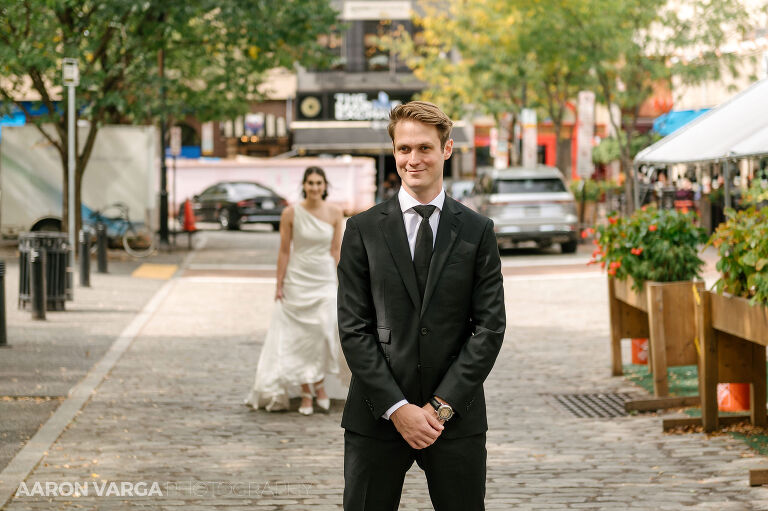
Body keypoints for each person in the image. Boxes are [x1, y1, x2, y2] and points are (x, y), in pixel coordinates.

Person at [337, 101, 506, 510]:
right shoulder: (361, 231)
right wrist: (398, 409)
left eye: (425, 148)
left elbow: (489, 328)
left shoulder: (477, 231)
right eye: (404, 149)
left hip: (455, 418)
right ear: (394, 152)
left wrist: (440, 407)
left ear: (447, 149)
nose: (413, 159)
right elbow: (353, 328)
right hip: (376, 415)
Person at [245, 166, 345, 415]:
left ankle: (320, 386)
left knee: (324, 330)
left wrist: (343, 281)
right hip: (298, 280)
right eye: (310, 183)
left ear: (325, 186)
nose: (314, 187)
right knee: (301, 337)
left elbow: (336, 250)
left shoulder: (335, 212)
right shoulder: (290, 213)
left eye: (318, 183)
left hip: (324, 279)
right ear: (304, 185)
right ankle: (306, 392)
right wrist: (279, 283)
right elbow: (284, 250)